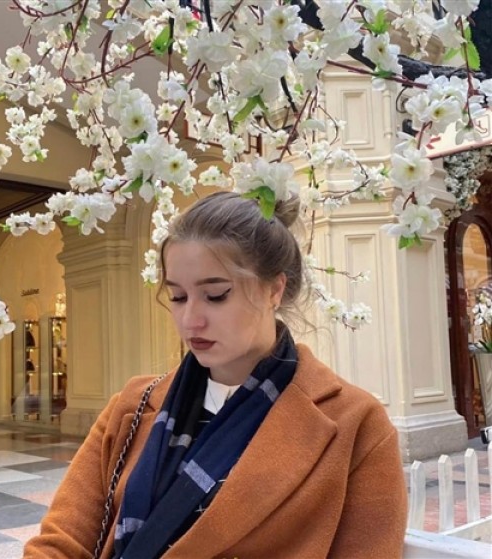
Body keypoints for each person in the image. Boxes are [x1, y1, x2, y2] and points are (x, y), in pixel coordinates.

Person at [23, 191, 408, 559]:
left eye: (216, 295)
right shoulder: (133, 406)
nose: (190, 319)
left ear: (274, 289)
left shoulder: (355, 424)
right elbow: (62, 542)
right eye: (177, 296)